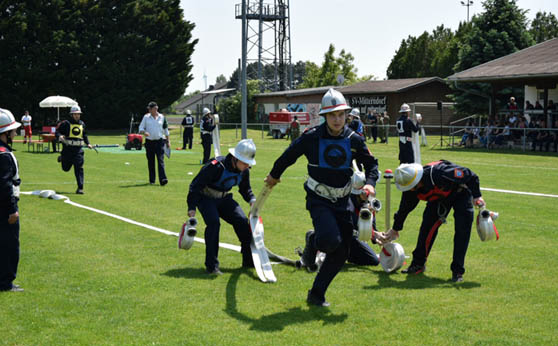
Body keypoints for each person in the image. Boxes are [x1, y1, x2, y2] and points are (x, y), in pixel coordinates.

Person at [265, 88, 379, 307]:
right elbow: (289, 155)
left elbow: (372, 165)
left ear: (347, 115)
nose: (337, 119)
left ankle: (316, 294)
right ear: (325, 116)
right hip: (318, 199)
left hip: (344, 201)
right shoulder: (311, 137)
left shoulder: (355, 139)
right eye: (332, 115)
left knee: (342, 251)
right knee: (329, 241)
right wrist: (274, 175)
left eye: (341, 114)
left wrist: (370, 184)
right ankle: (313, 240)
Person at [380, 161, 485, 283]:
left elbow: (471, 175)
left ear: (417, 181)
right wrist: (395, 229)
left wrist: (477, 196)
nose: (411, 190)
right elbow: (404, 208)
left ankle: (457, 271)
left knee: (462, 231)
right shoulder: (411, 189)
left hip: (461, 193)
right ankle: (418, 264)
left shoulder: (441, 172)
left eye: (412, 187)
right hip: (439, 199)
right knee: (427, 228)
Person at [187, 139, 257, 275]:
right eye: (244, 163)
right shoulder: (215, 166)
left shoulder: (244, 170)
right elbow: (196, 185)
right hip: (205, 198)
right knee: (214, 224)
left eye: (248, 164)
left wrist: (252, 200)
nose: (246, 166)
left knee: (242, 221)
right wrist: (191, 207)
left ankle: (248, 261)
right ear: (235, 158)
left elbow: (245, 189)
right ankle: (212, 266)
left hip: (224, 199)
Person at [0, 108, 23, 291]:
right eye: (12, 130)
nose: (15, 133)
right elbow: (5, 185)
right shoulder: (4, 155)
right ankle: (5, 282)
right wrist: (12, 209)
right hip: (4, 208)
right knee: (9, 245)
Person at [55, 105, 93, 194]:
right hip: (67, 150)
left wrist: (88, 144)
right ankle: (62, 158)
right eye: (75, 114)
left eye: (78, 114)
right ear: (71, 115)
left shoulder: (82, 124)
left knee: (79, 168)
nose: (77, 116)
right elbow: (57, 131)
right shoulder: (66, 123)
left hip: (78, 151)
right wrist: (59, 136)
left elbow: (84, 135)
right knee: (65, 168)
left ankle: (80, 188)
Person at [139, 101, 170, 186]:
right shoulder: (146, 117)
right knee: (151, 161)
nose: (149, 109)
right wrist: (144, 132)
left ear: (155, 108)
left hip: (159, 142)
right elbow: (140, 128)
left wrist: (168, 141)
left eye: (150, 108)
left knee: (161, 161)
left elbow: (166, 130)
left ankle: (163, 179)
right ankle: (152, 180)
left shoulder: (162, 117)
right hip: (149, 142)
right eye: (149, 108)